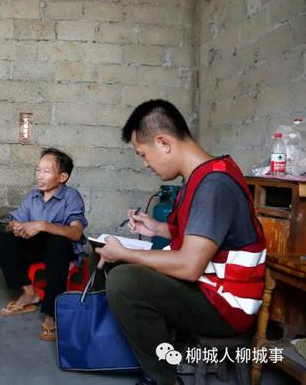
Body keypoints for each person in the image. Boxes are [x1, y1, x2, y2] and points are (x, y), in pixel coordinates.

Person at [95, 99, 266, 385]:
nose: (145, 164)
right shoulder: (199, 177)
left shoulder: (214, 184)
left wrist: (126, 253)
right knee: (109, 263)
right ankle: (147, 353)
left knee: (124, 281)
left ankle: (163, 378)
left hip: (227, 305)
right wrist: (156, 228)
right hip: (208, 288)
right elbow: (199, 238)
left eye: (143, 154)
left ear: (163, 142)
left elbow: (189, 265)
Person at [0, 148, 87, 341]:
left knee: (57, 243)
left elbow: (76, 233)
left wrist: (42, 225)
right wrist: (15, 226)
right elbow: (13, 221)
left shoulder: (71, 197)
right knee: (0, 239)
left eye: (46, 171)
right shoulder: (32, 196)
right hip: (36, 247)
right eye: (38, 170)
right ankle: (29, 293)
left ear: (62, 177)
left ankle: (51, 312)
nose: (39, 176)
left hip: (61, 250)